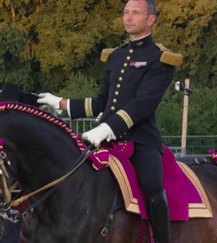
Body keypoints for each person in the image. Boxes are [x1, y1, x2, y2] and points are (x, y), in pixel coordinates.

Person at [37, 0, 182, 242]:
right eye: (126, 12)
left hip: (141, 140)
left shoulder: (160, 58)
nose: (128, 17)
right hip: (108, 140)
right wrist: (60, 103)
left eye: (136, 12)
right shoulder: (117, 56)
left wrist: (106, 128)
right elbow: (101, 102)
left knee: (153, 186)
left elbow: (142, 104)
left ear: (151, 20)